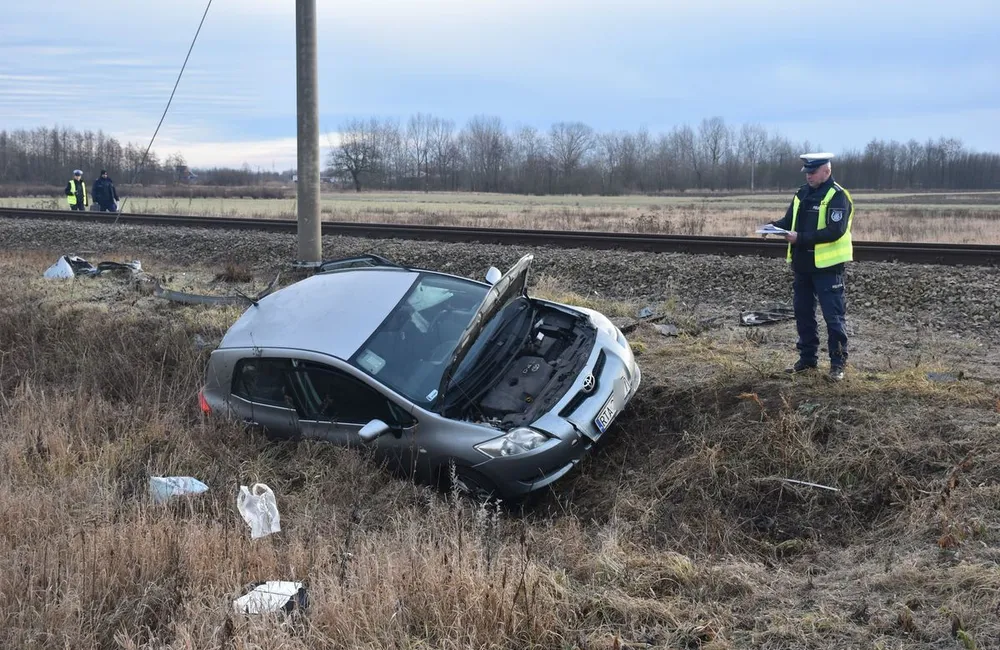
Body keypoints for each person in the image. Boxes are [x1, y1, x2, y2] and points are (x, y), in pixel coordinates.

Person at [769, 152, 855, 381]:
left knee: (833, 317)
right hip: (803, 267)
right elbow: (789, 222)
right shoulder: (801, 193)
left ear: (827, 171)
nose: (809, 176)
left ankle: (838, 365)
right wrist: (772, 227)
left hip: (827, 269)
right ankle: (807, 360)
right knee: (803, 314)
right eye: (807, 172)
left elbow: (834, 231)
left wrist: (801, 238)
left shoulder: (837, 196)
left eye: (813, 172)